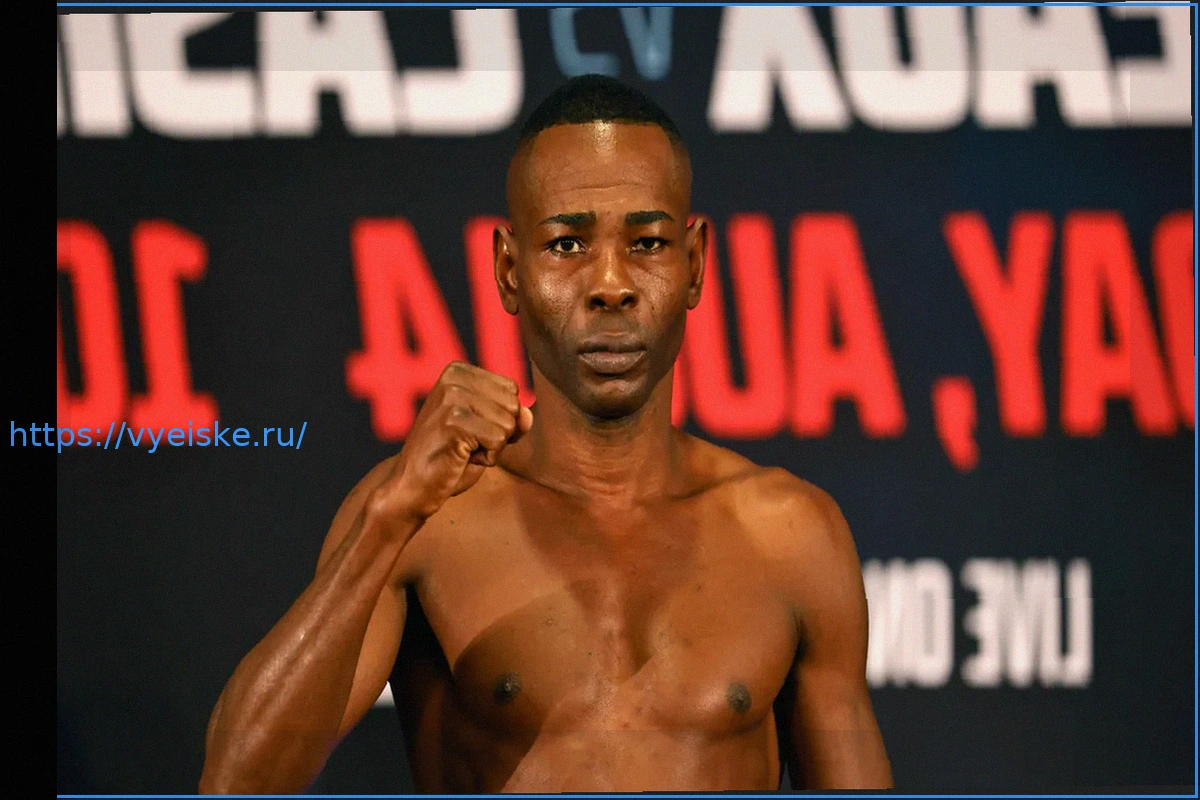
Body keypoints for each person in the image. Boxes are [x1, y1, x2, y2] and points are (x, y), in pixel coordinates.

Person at [198, 74, 893, 793]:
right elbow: (237, 782)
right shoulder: (427, 522)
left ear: (694, 264)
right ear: (509, 270)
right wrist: (389, 519)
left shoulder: (792, 538)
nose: (611, 284)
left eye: (648, 242)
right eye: (566, 245)